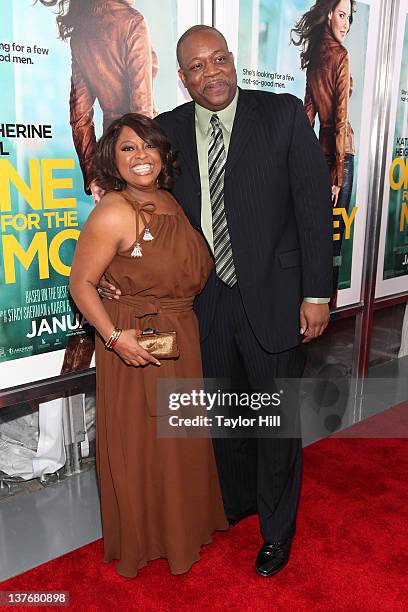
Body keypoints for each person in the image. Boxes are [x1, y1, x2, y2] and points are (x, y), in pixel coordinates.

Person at [100, 25, 333, 577]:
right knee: (222, 419)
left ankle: (277, 534)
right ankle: (233, 506)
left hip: (277, 298)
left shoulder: (281, 114)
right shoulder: (168, 132)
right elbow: (140, 205)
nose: (212, 72)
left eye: (219, 59)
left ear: (233, 60)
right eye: (197, 67)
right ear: (182, 78)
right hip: (203, 304)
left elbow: (312, 209)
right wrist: (112, 274)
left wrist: (318, 293)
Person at [69, 113, 228, 578]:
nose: (141, 156)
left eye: (148, 146)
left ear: (163, 153)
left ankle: (180, 528)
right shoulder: (115, 210)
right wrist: (116, 340)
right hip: (137, 342)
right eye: (128, 149)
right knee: (144, 442)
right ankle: (148, 537)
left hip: (182, 335)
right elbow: (81, 284)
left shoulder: (169, 201)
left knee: (175, 441)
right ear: (112, 162)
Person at [37, 0, 158, 203]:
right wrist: (147, 164)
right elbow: (142, 109)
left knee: (120, 230)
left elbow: (79, 116)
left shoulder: (81, 33)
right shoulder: (132, 21)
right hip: (140, 153)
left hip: (110, 153)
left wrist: (94, 174)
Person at [291, 0, 356, 303]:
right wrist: (338, 172)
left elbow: (308, 114)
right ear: (329, 13)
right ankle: (326, 305)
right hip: (340, 156)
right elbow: (340, 118)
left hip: (320, 154)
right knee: (334, 240)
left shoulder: (316, 56)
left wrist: (303, 158)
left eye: (350, 17)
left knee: (315, 234)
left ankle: (309, 299)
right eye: (342, 15)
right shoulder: (340, 56)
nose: (346, 23)